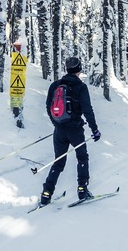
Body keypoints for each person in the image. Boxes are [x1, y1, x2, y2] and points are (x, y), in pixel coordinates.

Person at [41, 56, 101, 205]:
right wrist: (95, 129)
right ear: (79, 69)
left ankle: (46, 194)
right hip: (75, 130)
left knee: (58, 162)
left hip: (59, 130)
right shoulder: (81, 87)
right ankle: (82, 190)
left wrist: (56, 123)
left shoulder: (55, 85)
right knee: (82, 157)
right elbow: (88, 110)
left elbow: (48, 106)